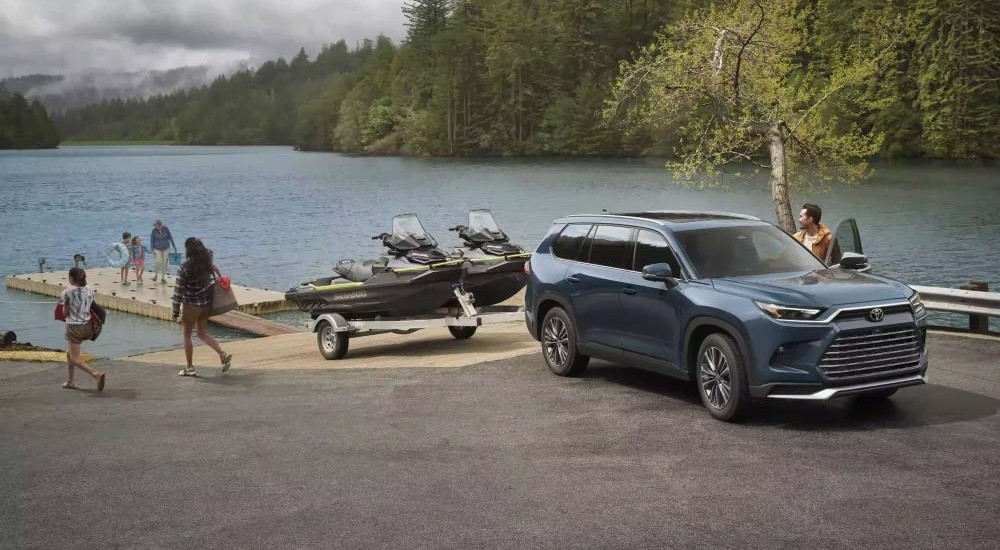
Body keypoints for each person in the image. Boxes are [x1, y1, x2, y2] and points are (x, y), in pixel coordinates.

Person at [171, 237, 232, 377]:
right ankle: (222, 354)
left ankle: (190, 367)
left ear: (188, 251)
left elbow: (178, 291)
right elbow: (214, 268)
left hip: (191, 305)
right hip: (205, 305)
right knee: (201, 333)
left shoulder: (185, 268)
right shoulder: (206, 264)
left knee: (187, 335)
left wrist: (175, 311)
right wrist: (219, 275)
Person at [59, 267, 105, 391]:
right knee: (70, 354)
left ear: (72, 278)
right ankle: (70, 381)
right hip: (87, 326)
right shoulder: (90, 290)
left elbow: (66, 313)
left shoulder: (67, 292)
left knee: (75, 358)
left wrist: (66, 308)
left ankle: (95, 374)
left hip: (74, 328)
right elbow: (90, 306)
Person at [150, 220, 177, 284]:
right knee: (158, 262)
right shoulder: (153, 231)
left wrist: (174, 246)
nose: (157, 227)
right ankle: (156, 275)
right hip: (157, 248)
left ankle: (163, 278)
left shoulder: (166, 229)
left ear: (161, 225)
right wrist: (152, 249)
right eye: (156, 226)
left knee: (165, 263)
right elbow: (152, 240)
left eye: (158, 226)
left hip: (166, 248)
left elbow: (170, 238)